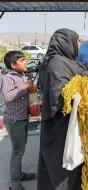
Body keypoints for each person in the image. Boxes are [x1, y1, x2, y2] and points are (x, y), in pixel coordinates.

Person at [37, 28, 88, 190]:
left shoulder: (53, 60)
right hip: (63, 126)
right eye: (78, 41)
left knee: (53, 162)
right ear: (67, 43)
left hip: (54, 125)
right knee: (63, 165)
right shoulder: (59, 64)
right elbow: (57, 97)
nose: (79, 45)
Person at [0, 51, 37, 190]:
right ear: (13, 65)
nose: (26, 62)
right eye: (22, 60)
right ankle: (14, 182)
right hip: (15, 121)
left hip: (22, 118)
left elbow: (22, 93)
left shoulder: (21, 76)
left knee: (20, 149)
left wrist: (30, 89)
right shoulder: (8, 77)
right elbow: (8, 96)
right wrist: (25, 87)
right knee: (17, 151)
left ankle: (18, 174)